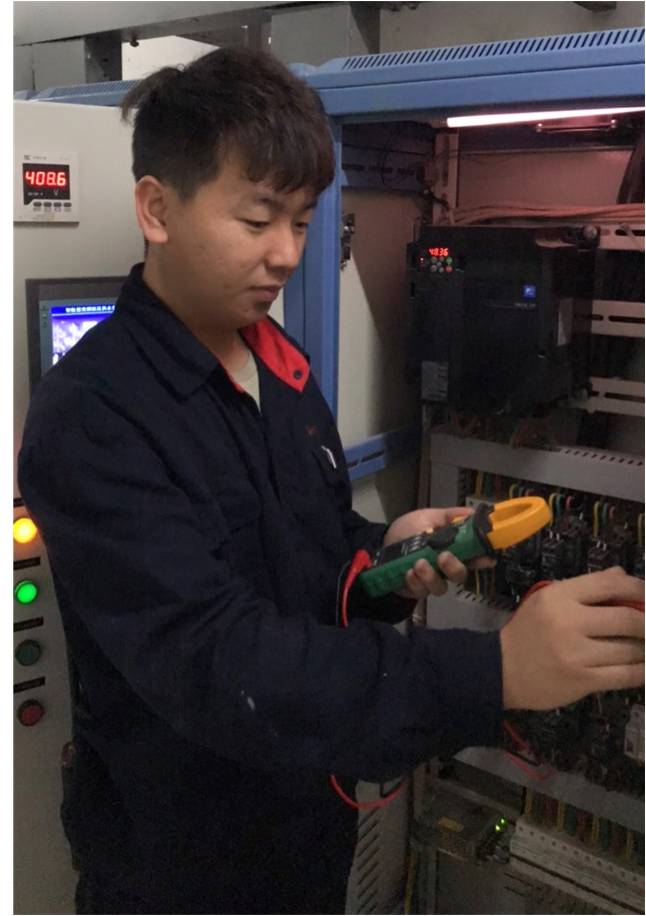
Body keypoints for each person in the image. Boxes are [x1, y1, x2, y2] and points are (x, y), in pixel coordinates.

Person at [18, 47, 644, 916]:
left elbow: (303, 553)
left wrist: (382, 558)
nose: (285, 254)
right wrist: (495, 670)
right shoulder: (93, 417)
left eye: (303, 221)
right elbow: (221, 660)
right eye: (257, 219)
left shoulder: (277, 364)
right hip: (182, 871)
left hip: (304, 834)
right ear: (157, 209)